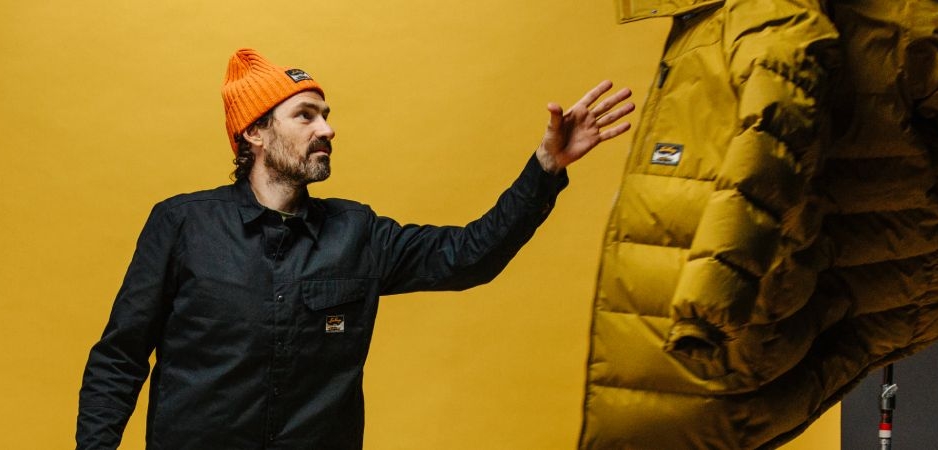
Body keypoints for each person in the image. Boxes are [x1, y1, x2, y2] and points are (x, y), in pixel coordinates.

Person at [76, 48, 634, 449]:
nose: (327, 129)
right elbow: (119, 358)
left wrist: (545, 168)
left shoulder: (357, 232)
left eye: (326, 114)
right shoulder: (182, 224)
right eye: (305, 115)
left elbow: (470, 256)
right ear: (255, 133)